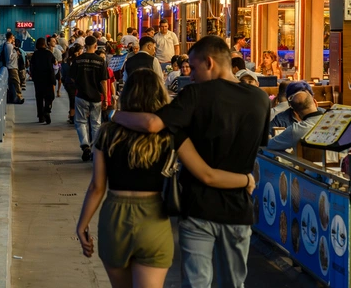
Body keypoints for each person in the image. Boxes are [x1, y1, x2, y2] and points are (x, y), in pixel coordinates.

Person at [111, 36, 270, 287]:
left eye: (194, 68)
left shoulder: (195, 95)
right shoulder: (260, 99)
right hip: (238, 209)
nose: (192, 76)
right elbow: (254, 147)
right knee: (234, 283)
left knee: (196, 282)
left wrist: (115, 115)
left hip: (198, 207)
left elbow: (152, 124)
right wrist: (245, 179)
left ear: (209, 62)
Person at [76, 69, 256, 288]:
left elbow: (96, 187)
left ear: (127, 95)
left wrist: (82, 225)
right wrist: (245, 180)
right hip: (154, 219)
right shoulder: (170, 134)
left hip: (114, 218)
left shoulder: (107, 133)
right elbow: (206, 175)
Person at [71, 35, 108, 162]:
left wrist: (79, 84)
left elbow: (72, 77)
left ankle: (85, 144)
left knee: (80, 122)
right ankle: (94, 149)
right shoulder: (100, 61)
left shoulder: (78, 60)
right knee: (96, 123)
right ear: (95, 46)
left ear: (85, 46)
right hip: (96, 97)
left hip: (81, 95)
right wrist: (106, 98)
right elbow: (104, 81)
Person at [30, 38, 57, 124]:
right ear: (44, 44)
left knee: (39, 97)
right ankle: (47, 109)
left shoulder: (35, 54)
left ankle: (41, 116)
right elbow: (55, 62)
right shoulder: (49, 53)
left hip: (38, 79)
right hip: (48, 78)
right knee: (50, 96)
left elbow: (31, 66)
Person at [0, 33, 24, 104]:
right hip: (12, 67)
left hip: (11, 67)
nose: (14, 38)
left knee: (11, 83)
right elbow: (9, 58)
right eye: (13, 37)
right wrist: (16, 54)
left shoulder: (6, 45)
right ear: (10, 37)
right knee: (16, 82)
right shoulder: (9, 46)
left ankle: (12, 98)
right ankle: (19, 97)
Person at [62, 44, 82, 125]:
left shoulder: (67, 61)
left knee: (72, 99)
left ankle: (71, 115)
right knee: (74, 100)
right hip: (73, 82)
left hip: (68, 82)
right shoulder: (76, 61)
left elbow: (64, 72)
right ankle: (73, 116)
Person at [95, 48, 117, 119]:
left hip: (108, 99)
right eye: (101, 58)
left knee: (108, 119)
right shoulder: (94, 71)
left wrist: (114, 97)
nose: (103, 60)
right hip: (97, 100)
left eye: (104, 58)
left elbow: (112, 85)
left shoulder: (109, 71)